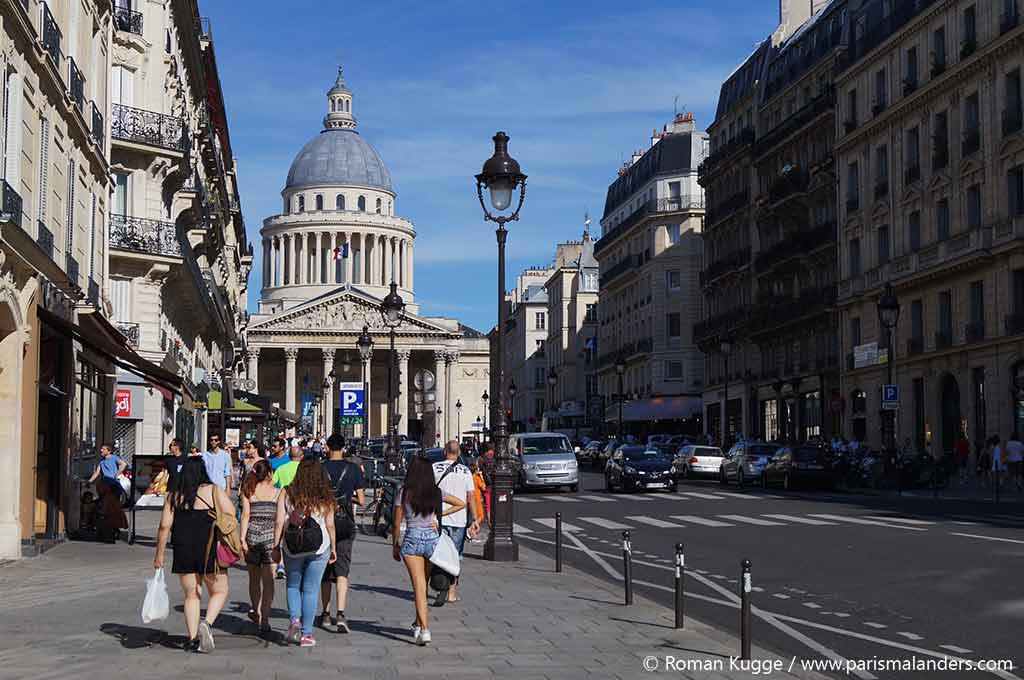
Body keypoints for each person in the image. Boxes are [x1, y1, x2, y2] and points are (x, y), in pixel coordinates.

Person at [153, 457, 232, 653]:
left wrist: (159, 555)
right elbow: (230, 515)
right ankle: (207, 623)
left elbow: (164, 527)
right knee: (220, 591)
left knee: (191, 594)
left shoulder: (174, 496)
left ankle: (192, 637)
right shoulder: (213, 491)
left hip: (183, 548)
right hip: (209, 549)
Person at [392, 455, 465, 646]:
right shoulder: (435, 491)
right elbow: (460, 503)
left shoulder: (404, 492)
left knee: (418, 586)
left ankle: (424, 629)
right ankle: (418, 623)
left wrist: (395, 543)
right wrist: (439, 517)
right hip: (432, 540)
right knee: (422, 584)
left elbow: (397, 521)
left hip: (412, 539)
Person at [272, 459, 337, 648]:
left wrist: (276, 547)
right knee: (311, 589)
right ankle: (307, 635)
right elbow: (330, 524)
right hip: (319, 546)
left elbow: (278, 522)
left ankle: (294, 621)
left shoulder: (287, 491)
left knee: (292, 585)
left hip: (292, 546)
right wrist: (333, 548)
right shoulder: (326, 495)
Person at [318, 433, 365, 633]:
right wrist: (347, 500)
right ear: (344, 448)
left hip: (324, 522)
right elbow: (362, 500)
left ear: (328, 447)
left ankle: (325, 613)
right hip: (345, 523)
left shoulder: (320, 468)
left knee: (325, 572)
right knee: (342, 569)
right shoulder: (353, 469)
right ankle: (341, 613)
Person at [431, 440, 478, 606]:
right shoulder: (465, 471)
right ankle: (451, 592)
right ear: (459, 454)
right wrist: (475, 518)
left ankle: (437, 584)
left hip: (437, 518)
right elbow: (471, 496)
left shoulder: (435, 468)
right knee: (455, 556)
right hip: (458, 519)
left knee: (436, 553)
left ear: (445, 451)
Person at [239, 459, 279, 634]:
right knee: (269, 581)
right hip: (271, 539)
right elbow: (279, 520)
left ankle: (256, 610)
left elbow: (245, 516)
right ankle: (265, 618)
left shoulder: (248, 491)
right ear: (269, 473)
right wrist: (279, 542)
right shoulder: (278, 493)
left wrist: (242, 539)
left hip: (252, 538)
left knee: (254, 580)